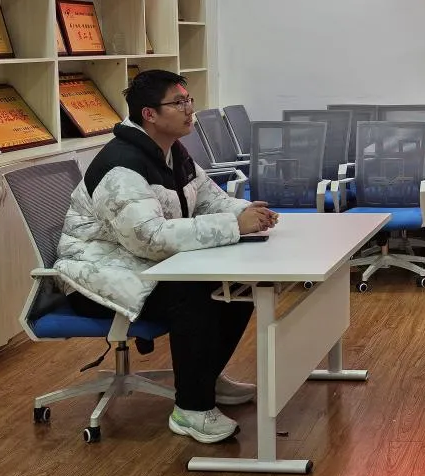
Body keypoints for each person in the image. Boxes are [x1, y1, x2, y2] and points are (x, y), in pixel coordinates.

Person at [54, 70, 278, 444]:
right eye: (178, 103)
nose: (190, 110)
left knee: (238, 284)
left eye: (189, 100)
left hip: (141, 265)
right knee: (195, 292)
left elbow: (209, 199)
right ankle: (192, 408)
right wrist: (233, 225)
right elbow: (149, 238)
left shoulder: (173, 151)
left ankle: (205, 379)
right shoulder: (122, 167)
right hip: (96, 274)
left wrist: (247, 212)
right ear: (150, 114)